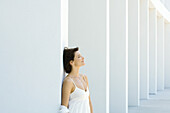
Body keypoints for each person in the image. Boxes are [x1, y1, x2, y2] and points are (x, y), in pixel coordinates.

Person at [59, 47, 93, 113]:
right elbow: (64, 108)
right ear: (71, 62)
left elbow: (89, 102)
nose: (83, 58)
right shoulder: (68, 81)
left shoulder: (84, 78)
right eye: (79, 57)